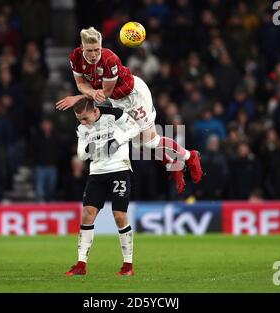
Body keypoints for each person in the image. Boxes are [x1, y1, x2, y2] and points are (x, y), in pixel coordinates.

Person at [55, 26, 203, 194]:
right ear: (82, 48)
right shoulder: (75, 57)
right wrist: (85, 92)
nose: (94, 54)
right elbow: (81, 84)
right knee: (138, 144)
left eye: (97, 49)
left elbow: (104, 93)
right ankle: (172, 164)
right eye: (90, 50)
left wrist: (79, 97)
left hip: (134, 95)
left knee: (150, 141)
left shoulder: (110, 60)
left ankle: (190, 156)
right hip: (116, 101)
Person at [65, 97, 140, 276]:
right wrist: (93, 146)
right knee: (87, 215)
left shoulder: (114, 115)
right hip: (97, 173)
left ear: (95, 110)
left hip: (119, 169)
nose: (83, 123)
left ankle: (128, 265)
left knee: (119, 215)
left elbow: (135, 128)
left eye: (85, 118)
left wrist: (116, 141)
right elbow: (81, 155)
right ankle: (81, 264)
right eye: (79, 119)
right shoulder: (82, 128)